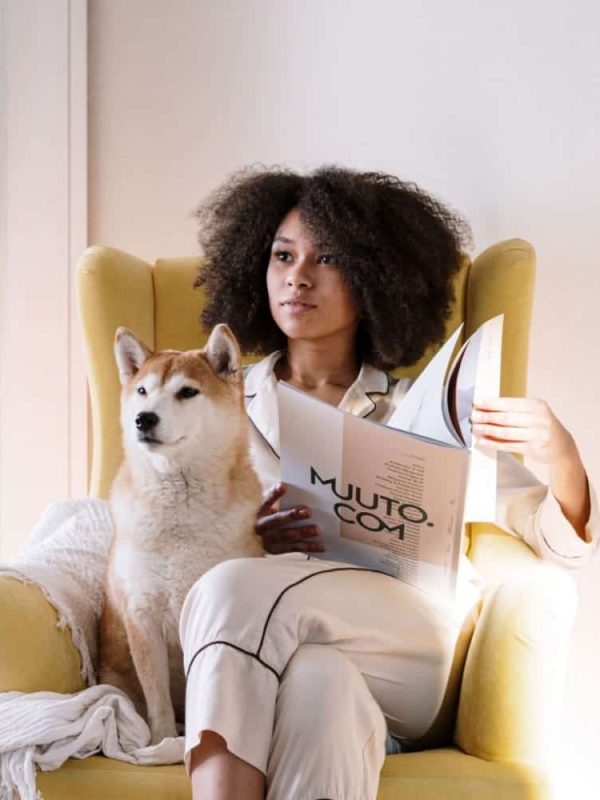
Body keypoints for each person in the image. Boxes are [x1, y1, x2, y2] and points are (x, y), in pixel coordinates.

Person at [179, 165, 597, 800]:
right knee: (322, 691)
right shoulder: (215, 405)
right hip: (286, 654)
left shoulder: (423, 408)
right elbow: (163, 542)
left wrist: (562, 455)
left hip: (410, 648)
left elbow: (558, 540)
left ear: (374, 280)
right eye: (282, 255)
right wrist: (244, 532)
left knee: (232, 587)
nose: (297, 275)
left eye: (328, 259)